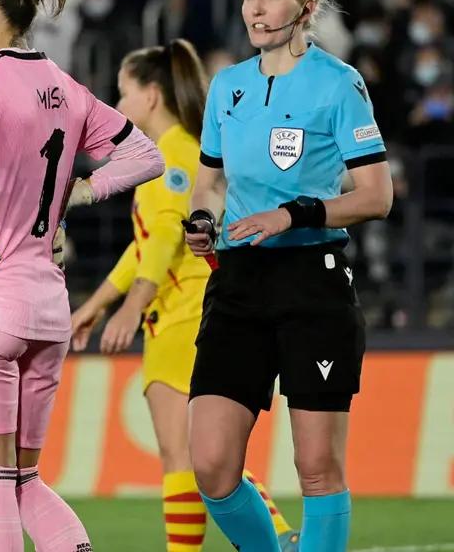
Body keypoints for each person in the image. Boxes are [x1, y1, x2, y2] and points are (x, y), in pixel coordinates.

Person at [0, 0, 165, 551]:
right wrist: (79, 191)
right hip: (46, 311)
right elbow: (147, 156)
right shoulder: (65, 86)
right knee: (23, 481)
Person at [184, 0, 392, 551]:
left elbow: (377, 196)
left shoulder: (338, 83)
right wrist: (203, 220)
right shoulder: (227, 86)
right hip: (238, 284)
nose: (255, 8)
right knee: (212, 465)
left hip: (312, 282)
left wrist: (294, 214)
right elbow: (210, 183)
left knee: (317, 467)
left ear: (305, 6)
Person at [69, 40, 299, 552]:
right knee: (203, 457)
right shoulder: (181, 150)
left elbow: (165, 240)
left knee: (183, 457)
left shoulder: (169, 156)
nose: (118, 104)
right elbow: (144, 246)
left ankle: (275, 540)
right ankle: (282, 537)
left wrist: (129, 309)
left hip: (183, 315)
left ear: (151, 95)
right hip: (191, 311)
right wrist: (95, 306)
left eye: (123, 92)